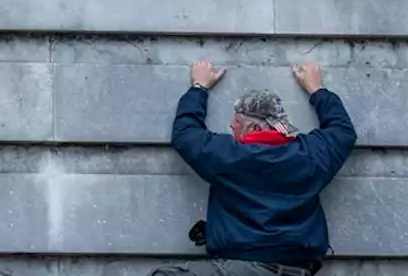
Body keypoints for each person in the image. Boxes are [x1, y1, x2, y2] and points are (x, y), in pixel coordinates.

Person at [151, 60, 356, 276]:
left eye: (236, 122)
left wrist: (199, 87)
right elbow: (342, 131)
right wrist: (317, 89)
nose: (231, 126)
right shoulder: (311, 155)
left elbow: (185, 134)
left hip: (244, 269)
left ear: (254, 127)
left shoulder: (227, 154)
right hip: (299, 270)